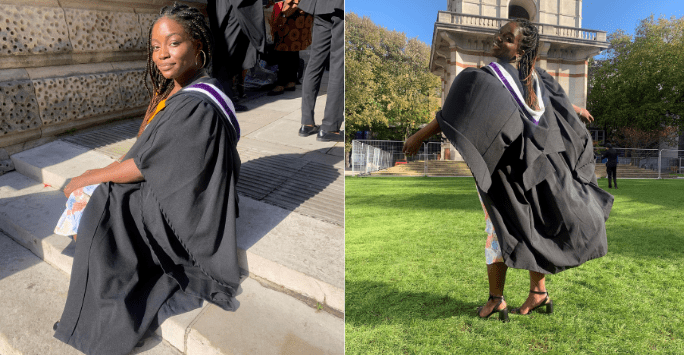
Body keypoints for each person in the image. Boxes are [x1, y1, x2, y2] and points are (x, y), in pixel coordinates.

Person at [52, 4, 242, 354]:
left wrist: (90, 175)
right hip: (172, 178)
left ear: (197, 45)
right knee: (100, 191)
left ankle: (106, 306)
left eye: (173, 43)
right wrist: (97, 175)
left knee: (110, 198)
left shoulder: (199, 102)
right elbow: (144, 150)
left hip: (191, 202)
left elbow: (145, 164)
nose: (162, 55)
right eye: (155, 47)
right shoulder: (169, 91)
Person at [403, 19, 613, 321]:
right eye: (499, 35)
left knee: (498, 228)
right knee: (533, 226)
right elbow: (561, 102)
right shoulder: (536, 78)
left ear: (521, 49)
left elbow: (453, 111)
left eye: (506, 39)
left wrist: (417, 136)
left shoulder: (492, 77)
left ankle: (496, 300)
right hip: (539, 169)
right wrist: (577, 109)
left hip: (507, 173)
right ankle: (538, 294)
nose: (497, 40)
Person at [288, 0, 344, 142]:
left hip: (321, 5)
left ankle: (306, 123)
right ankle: (329, 127)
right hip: (341, 6)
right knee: (338, 63)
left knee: (315, 61)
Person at [207, 0, 266, 111]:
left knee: (226, 53)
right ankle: (224, 100)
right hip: (231, 8)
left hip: (224, 7)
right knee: (226, 54)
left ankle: (225, 97)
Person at [267, 1, 313, 96]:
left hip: (291, 14)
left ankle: (281, 83)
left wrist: (282, 8)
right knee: (293, 49)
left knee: (283, 49)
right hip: (302, 15)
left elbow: (290, 4)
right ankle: (291, 81)